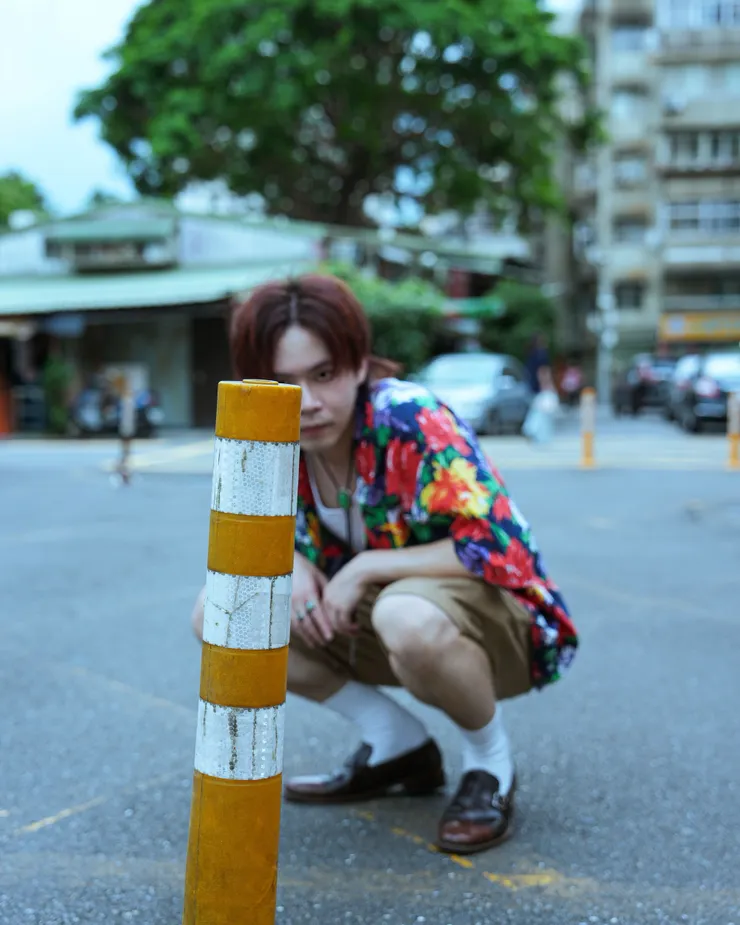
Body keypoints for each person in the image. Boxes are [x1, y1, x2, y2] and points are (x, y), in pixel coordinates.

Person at [191, 274, 578, 855]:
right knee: (221, 612)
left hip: (488, 623)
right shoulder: (268, 435)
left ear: (356, 361)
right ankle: (395, 743)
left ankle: (489, 764)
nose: (310, 401)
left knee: (406, 617)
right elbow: (247, 539)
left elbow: (503, 548)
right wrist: (292, 560)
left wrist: (366, 566)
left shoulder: (409, 417)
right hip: (369, 620)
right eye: (284, 381)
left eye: (324, 374)